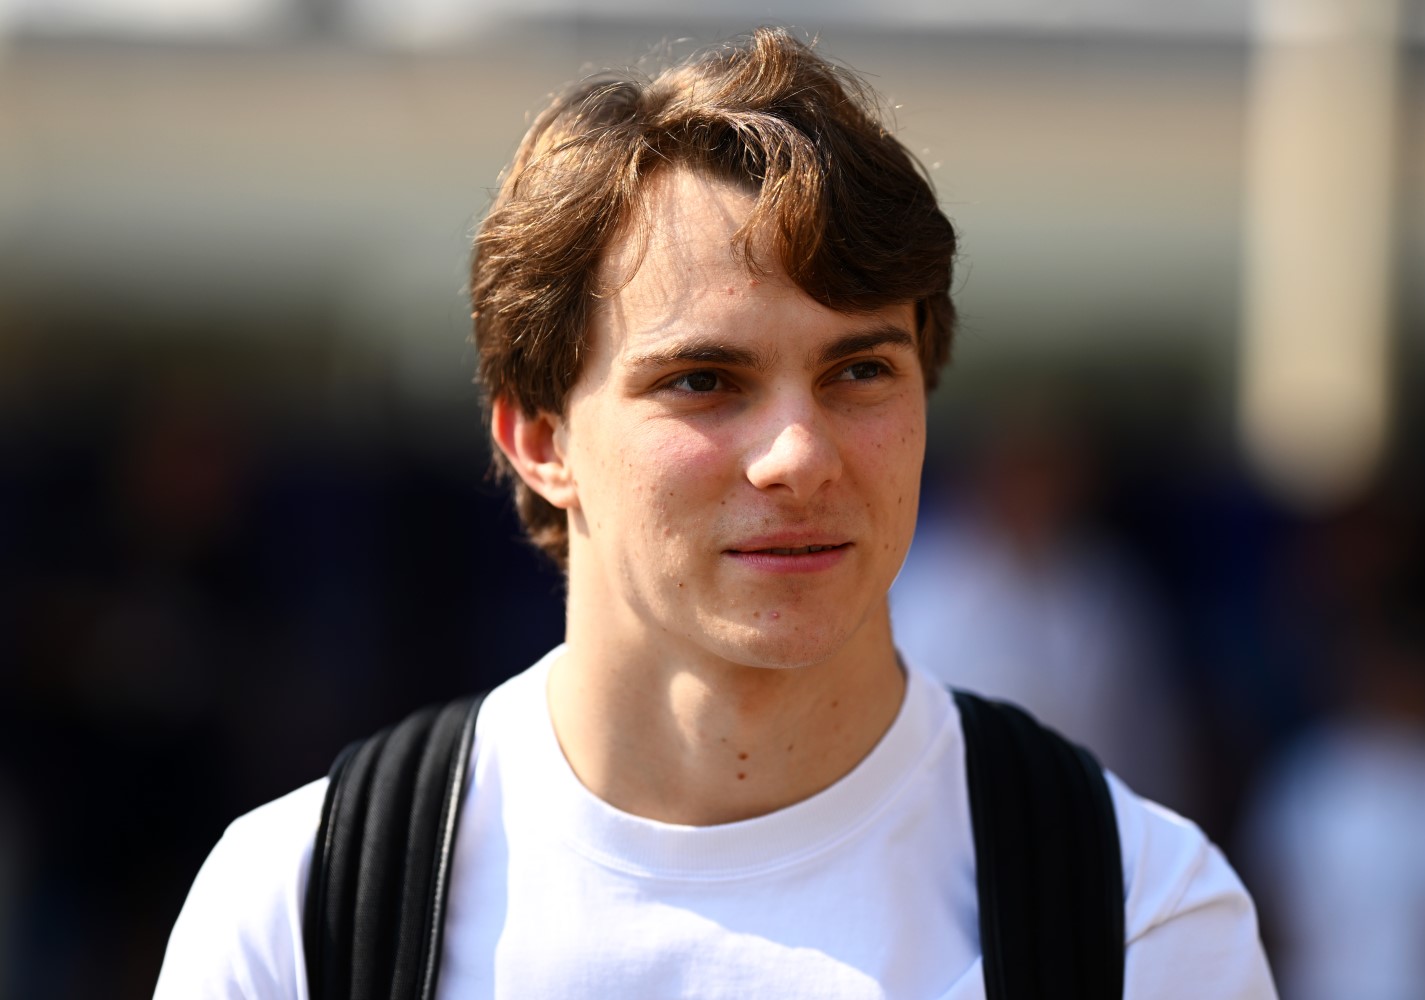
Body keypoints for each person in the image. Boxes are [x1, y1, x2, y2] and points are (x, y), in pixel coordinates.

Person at [154, 28, 1276, 999]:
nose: (798, 453)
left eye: (860, 373)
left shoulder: (1136, 913)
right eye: (703, 380)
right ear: (540, 440)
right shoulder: (305, 905)